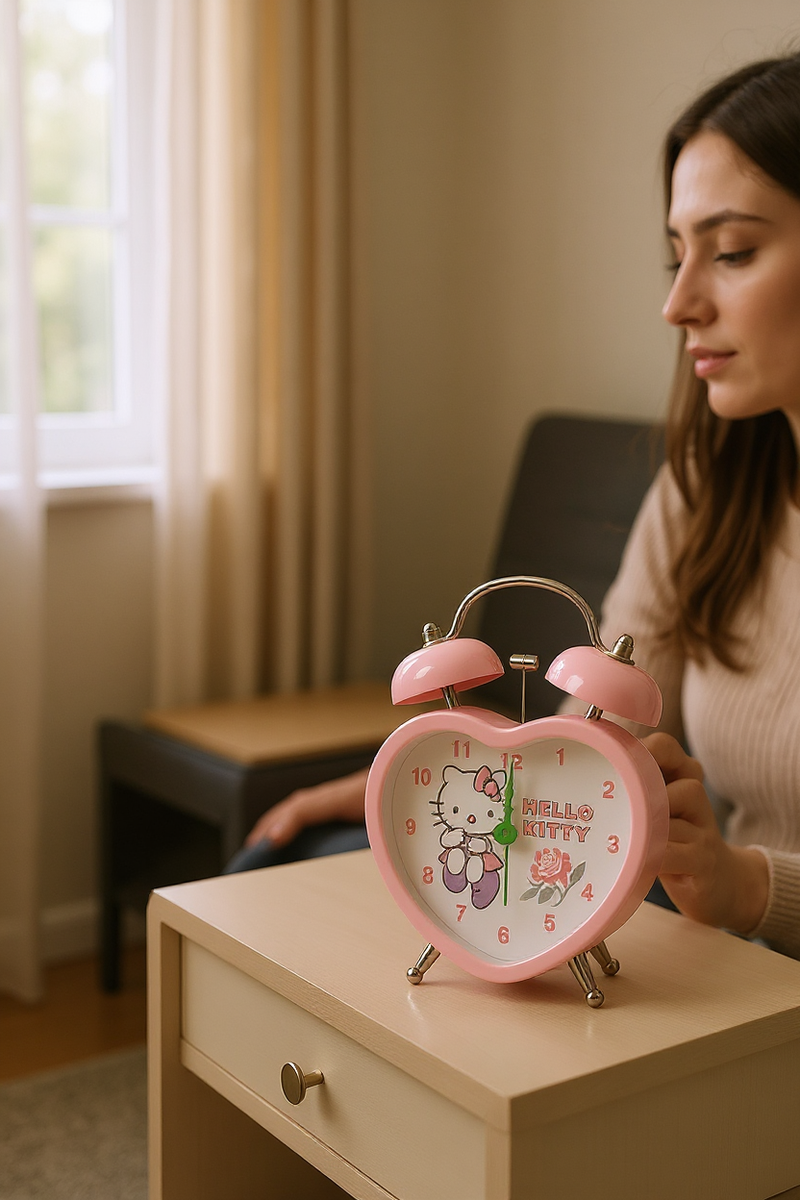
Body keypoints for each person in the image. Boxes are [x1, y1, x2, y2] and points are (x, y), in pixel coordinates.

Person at [228, 52, 800, 962]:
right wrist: (390, 784)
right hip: (711, 922)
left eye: (731, 252)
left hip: (748, 946)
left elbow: (728, 880)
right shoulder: (711, 486)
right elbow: (597, 730)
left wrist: (746, 885)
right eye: (676, 254)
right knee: (289, 856)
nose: (676, 303)